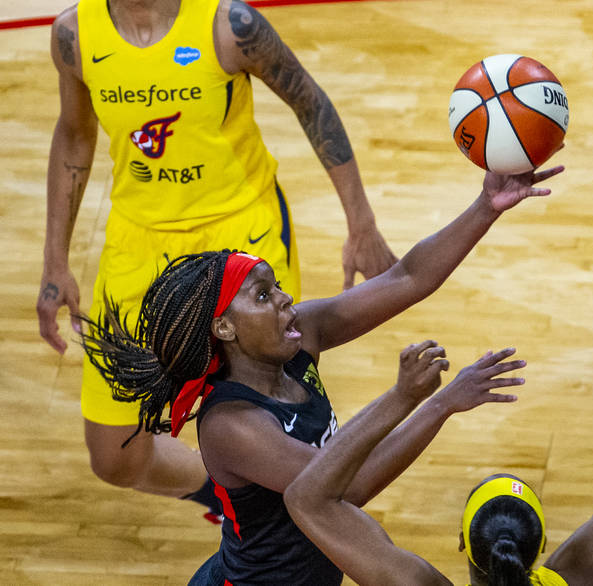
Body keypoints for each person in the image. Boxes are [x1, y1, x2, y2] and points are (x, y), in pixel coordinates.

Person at [36, 0, 399, 516]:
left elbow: (313, 106)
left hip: (243, 237)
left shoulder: (230, 26)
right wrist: (55, 261)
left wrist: (361, 223)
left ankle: (299, 524)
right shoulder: (75, 35)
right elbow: (75, 137)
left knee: (273, 423)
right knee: (114, 456)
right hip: (140, 241)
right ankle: (227, 495)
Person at [79, 165, 561, 584]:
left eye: (277, 287)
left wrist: (486, 205)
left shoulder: (297, 336)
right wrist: (428, 402)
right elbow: (345, 488)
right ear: (224, 327)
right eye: (263, 296)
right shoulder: (231, 425)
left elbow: (406, 278)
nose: (286, 299)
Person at [283, 240, 593, 586]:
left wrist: (413, 398)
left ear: (463, 544)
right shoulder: (577, 576)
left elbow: (306, 499)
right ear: (540, 549)